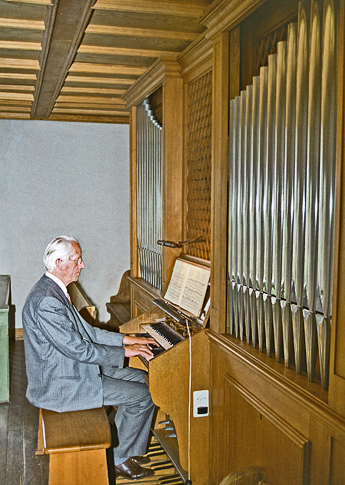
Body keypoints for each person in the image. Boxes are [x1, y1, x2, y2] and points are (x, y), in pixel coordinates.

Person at [22, 235, 158, 480]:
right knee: (144, 396)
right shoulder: (46, 301)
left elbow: (89, 332)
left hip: (71, 370)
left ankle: (123, 445)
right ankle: (119, 458)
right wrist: (124, 352)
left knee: (142, 378)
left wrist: (128, 340)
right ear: (60, 262)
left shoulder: (54, 289)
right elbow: (79, 349)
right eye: (77, 260)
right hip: (62, 385)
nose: (82, 265)